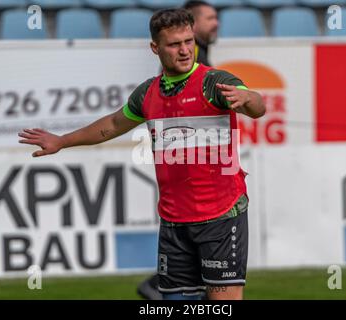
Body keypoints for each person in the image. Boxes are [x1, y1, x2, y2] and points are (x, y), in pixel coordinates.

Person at [18, 8, 265, 300]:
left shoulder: (214, 83)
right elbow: (111, 125)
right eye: (174, 44)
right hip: (174, 222)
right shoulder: (147, 94)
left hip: (222, 216)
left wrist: (247, 98)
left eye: (188, 41)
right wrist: (62, 141)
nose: (185, 51)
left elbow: (258, 106)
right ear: (155, 48)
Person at [136, 0, 219, 300]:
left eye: (188, 42)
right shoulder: (184, 66)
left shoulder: (201, 58)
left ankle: (161, 283)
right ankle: (157, 283)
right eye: (210, 18)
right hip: (188, 168)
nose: (216, 23)